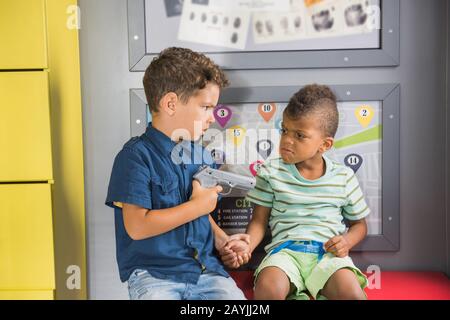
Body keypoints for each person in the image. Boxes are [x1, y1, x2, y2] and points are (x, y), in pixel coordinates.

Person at [105, 47, 249, 300]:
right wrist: (198, 206)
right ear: (170, 103)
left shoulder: (202, 156)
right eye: (205, 107)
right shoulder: (134, 157)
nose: (211, 118)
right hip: (155, 277)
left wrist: (223, 241)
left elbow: (201, 212)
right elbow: (137, 227)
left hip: (206, 273)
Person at [221, 84, 370, 300]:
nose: (287, 140)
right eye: (284, 130)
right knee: (268, 288)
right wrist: (247, 246)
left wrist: (346, 242)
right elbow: (259, 221)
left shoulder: (343, 177)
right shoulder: (270, 172)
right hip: (285, 254)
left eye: (300, 135)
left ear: (325, 145)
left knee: (351, 293)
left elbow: (359, 226)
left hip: (328, 256)